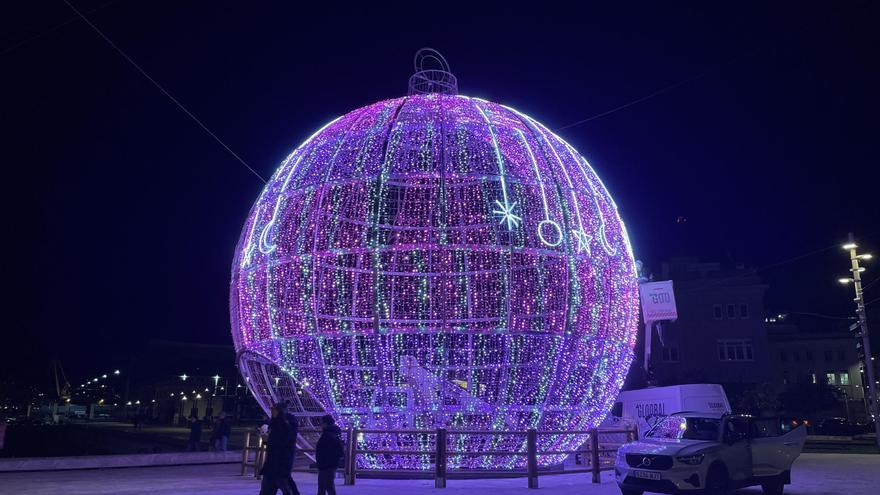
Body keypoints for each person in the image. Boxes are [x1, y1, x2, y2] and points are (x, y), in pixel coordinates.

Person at [259, 402, 300, 495]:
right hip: (272, 462)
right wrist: (266, 440)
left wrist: (270, 440)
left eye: (274, 409)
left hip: (281, 462)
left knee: (285, 486)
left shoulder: (289, 423)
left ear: (280, 411)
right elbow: (273, 442)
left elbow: (286, 440)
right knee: (267, 488)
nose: (272, 411)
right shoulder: (274, 422)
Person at [315, 415, 343, 495]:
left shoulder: (327, 435)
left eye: (322, 422)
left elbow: (323, 450)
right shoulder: (334, 434)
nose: (320, 424)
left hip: (325, 464)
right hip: (331, 463)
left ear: (325, 423)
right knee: (328, 484)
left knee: (324, 486)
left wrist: (320, 462)